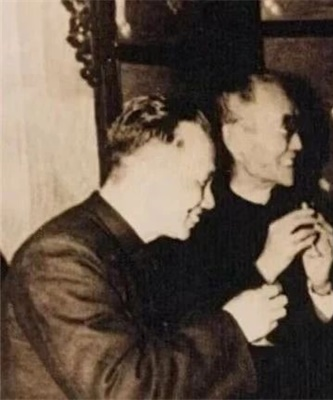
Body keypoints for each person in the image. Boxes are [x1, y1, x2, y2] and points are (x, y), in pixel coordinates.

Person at [0, 95, 289, 399]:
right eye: (201, 183)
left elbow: (169, 359)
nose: (209, 202)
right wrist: (233, 328)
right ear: (151, 174)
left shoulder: (136, 249)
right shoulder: (59, 257)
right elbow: (125, 391)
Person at [148, 72, 333, 399]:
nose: (298, 144)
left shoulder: (320, 216)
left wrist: (322, 289)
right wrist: (265, 267)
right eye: (285, 129)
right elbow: (182, 357)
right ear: (236, 140)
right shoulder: (188, 226)